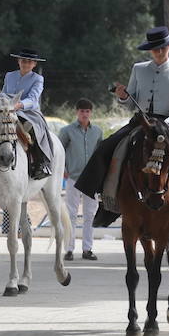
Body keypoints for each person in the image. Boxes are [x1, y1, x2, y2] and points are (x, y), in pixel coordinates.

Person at [72, 26, 169, 228]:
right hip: (140, 121)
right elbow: (131, 101)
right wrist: (123, 96)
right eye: (155, 49)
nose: (159, 52)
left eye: (162, 48)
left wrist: (165, 126)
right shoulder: (138, 69)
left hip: (168, 125)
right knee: (106, 147)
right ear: (150, 50)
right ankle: (106, 203)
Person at [59, 98, 102, 260]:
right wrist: (62, 169)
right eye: (82, 111)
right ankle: (69, 249)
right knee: (71, 214)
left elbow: (99, 155)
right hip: (73, 177)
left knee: (90, 214)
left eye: (87, 111)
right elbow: (59, 150)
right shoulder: (67, 131)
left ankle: (87, 249)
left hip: (91, 179)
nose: (85, 114)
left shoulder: (97, 132)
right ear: (76, 112)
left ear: (91, 113)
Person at [2, 47, 51, 179]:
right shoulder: (9, 75)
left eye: (30, 62)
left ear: (34, 64)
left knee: (33, 129)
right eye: (24, 60)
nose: (26, 63)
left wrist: (19, 105)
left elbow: (33, 98)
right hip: (7, 109)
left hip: (29, 112)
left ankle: (40, 163)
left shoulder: (38, 79)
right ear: (18, 61)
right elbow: (3, 92)